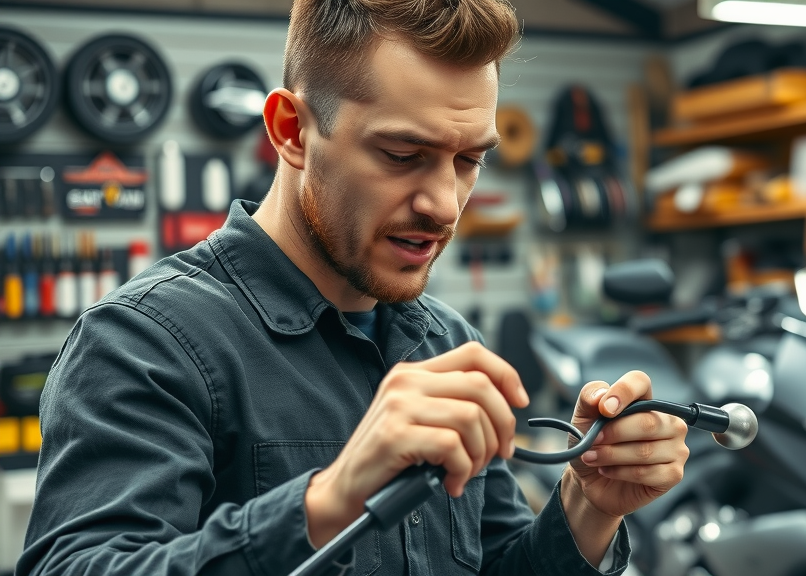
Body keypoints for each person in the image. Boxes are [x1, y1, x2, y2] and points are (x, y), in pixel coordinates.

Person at [17, 1, 690, 574]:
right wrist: (327, 501)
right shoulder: (144, 343)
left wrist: (586, 508)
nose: (444, 205)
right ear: (291, 131)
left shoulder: (448, 344)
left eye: (468, 160)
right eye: (403, 155)